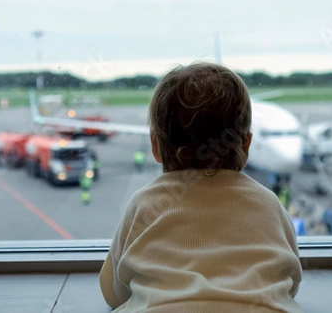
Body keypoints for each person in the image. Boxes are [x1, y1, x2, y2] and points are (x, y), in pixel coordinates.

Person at [99, 63, 302, 312]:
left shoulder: (145, 204)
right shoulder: (269, 203)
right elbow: (290, 282)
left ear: (155, 146)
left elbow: (113, 292)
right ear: (247, 145)